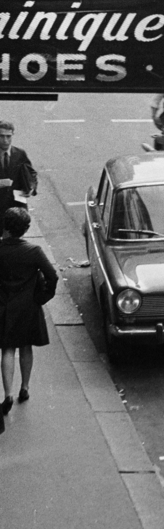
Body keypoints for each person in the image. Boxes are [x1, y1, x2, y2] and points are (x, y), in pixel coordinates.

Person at [0, 206, 57, 429]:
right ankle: (25, 387)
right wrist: (42, 297)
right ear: (25, 229)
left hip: (4, 306)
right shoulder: (34, 251)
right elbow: (52, 275)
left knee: (7, 349)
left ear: (5, 226)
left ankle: (8, 394)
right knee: (26, 347)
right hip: (29, 306)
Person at [0, 123, 36, 222]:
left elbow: (31, 173)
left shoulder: (19, 154)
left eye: (8, 136)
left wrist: (31, 188)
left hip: (16, 206)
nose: (5, 140)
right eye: (1, 136)